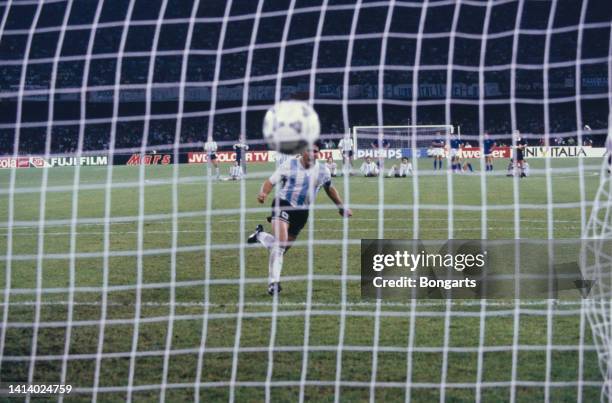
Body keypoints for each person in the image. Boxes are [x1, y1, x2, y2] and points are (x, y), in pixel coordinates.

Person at [248, 140, 352, 295]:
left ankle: (260, 235)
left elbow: (330, 189)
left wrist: (341, 207)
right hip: (283, 204)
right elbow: (270, 181)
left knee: (280, 248)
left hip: (302, 212)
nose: (312, 154)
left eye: (315, 151)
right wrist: (264, 193)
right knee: (281, 244)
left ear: (319, 153)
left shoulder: (323, 171)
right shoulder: (289, 165)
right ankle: (273, 284)